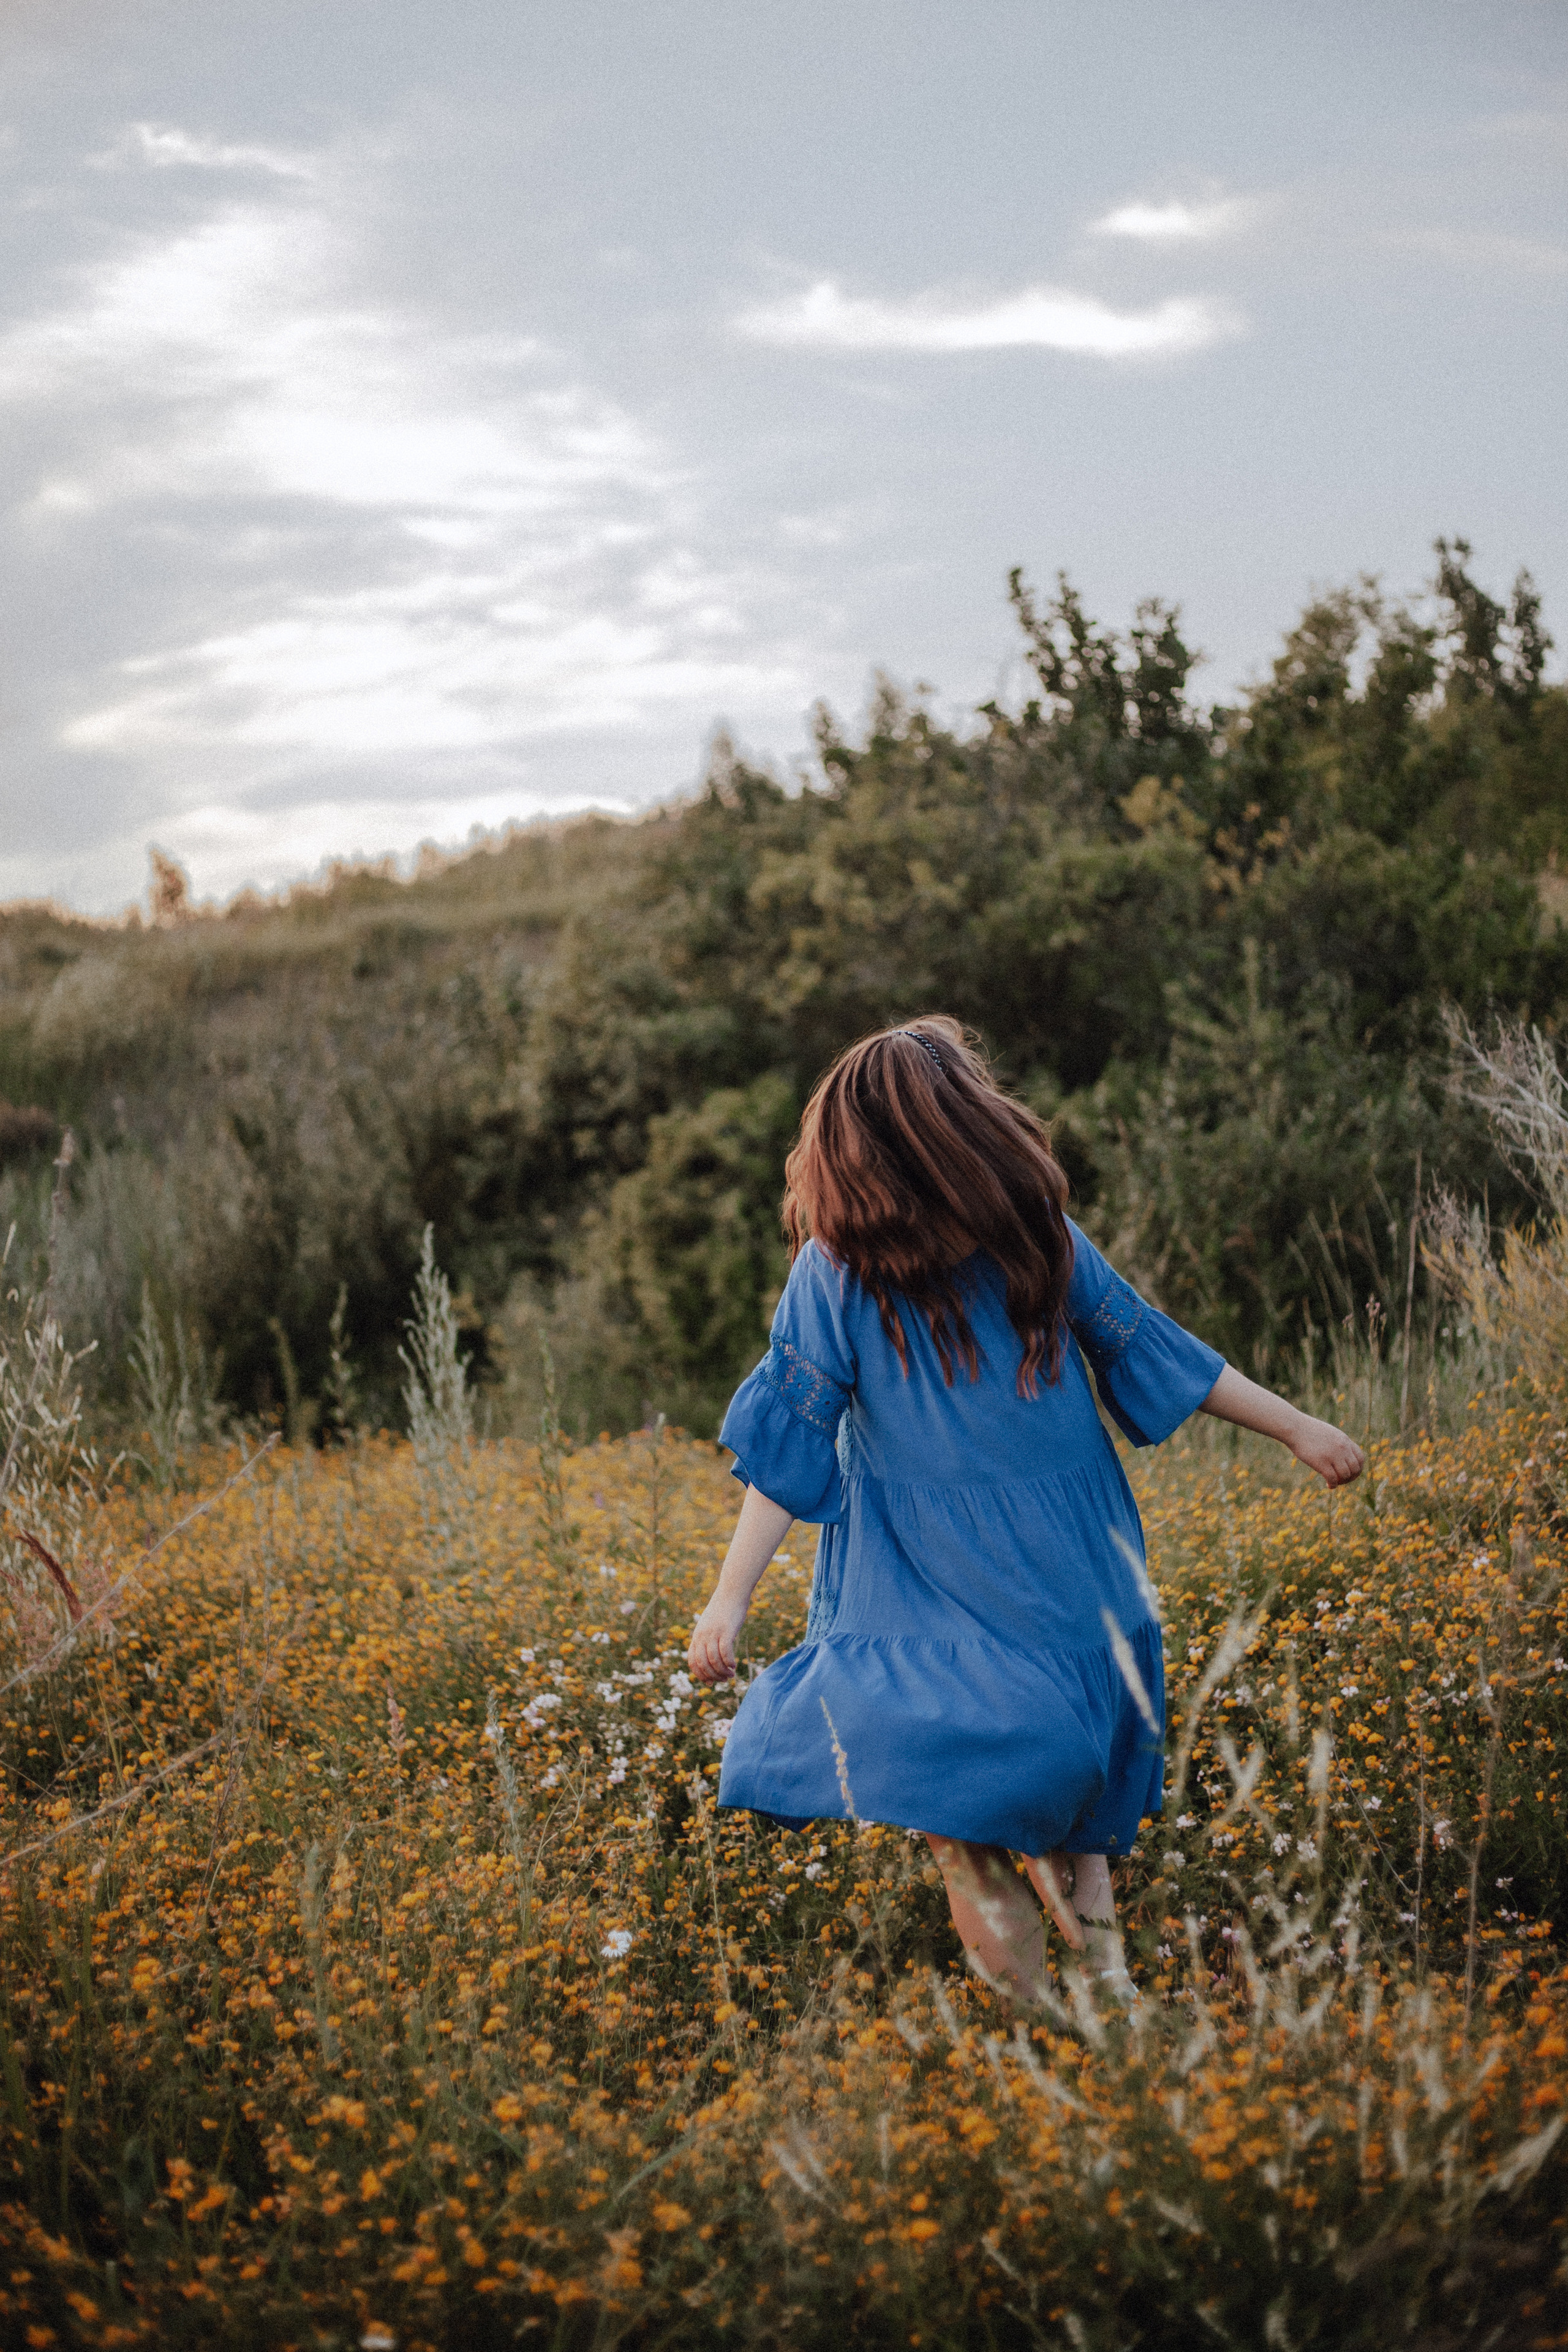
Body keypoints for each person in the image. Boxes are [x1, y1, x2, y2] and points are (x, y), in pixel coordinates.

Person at [687, 1018, 1364, 2003]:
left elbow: (1149, 1345)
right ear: (968, 1130)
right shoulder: (872, 1266)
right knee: (1013, 1800)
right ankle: (1086, 2014)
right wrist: (729, 1596)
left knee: (1017, 1804)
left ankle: (1092, 2015)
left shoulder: (1002, 1248)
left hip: (1007, 1567)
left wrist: (1299, 1427)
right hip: (991, 1567)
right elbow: (794, 1435)